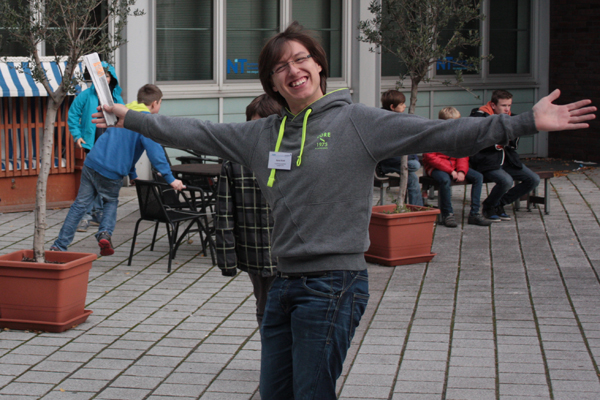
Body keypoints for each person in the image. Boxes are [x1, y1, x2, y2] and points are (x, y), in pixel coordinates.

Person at [92, 22, 595, 400]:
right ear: (272, 82)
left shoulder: (357, 122)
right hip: (281, 282)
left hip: (333, 284)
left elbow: (442, 132)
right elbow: (195, 132)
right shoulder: (261, 135)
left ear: (318, 66)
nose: (293, 70)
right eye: (281, 66)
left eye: (301, 59)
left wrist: (523, 122)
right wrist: (128, 115)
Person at [52, 84, 183, 256]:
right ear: (155, 103)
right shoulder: (146, 123)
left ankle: (59, 245)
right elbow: (156, 154)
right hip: (112, 172)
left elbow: (123, 146)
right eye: (160, 103)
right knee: (110, 202)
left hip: (92, 162)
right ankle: (104, 233)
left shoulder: (123, 112)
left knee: (79, 205)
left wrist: (133, 174)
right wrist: (170, 179)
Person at [215, 94, 280, 327]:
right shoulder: (235, 162)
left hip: (292, 253)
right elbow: (224, 214)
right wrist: (227, 260)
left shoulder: (297, 155)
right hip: (256, 253)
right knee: (265, 308)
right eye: (254, 125)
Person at [68, 61, 125, 233]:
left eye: (106, 76)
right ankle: (85, 216)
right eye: (100, 76)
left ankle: (97, 212)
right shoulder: (86, 95)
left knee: (103, 178)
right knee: (91, 180)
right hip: (91, 144)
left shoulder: (116, 98)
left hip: (110, 145)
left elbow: (124, 120)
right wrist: (77, 135)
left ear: (111, 78)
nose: (104, 79)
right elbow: (73, 115)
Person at [469, 89, 542, 221]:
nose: (507, 109)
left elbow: (513, 143)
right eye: (503, 105)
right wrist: (498, 142)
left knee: (533, 179)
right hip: (487, 161)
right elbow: (479, 141)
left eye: (509, 105)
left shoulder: (511, 118)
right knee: (506, 181)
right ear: (493, 105)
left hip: (508, 160)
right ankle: (489, 207)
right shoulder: (479, 117)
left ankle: (499, 204)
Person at [423, 107, 492, 228]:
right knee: (445, 180)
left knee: (478, 177)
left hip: (455, 167)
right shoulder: (433, 135)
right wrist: (451, 171)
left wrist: (461, 171)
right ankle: (447, 214)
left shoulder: (460, 135)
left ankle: (475, 213)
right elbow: (430, 158)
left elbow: (463, 155)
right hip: (436, 168)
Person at [377, 89, 423, 206]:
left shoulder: (400, 119)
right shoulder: (383, 122)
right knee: (415, 165)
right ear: (392, 107)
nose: (405, 106)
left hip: (399, 159)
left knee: (413, 178)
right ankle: (417, 208)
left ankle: (416, 208)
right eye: (401, 104)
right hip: (388, 160)